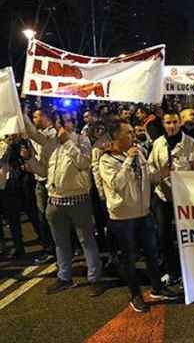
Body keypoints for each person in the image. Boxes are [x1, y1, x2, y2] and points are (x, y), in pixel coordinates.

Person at [100, 119, 178, 313]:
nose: (133, 137)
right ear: (116, 137)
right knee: (129, 259)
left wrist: (163, 172)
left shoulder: (140, 153)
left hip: (143, 213)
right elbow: (117, 184)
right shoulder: (106, 160)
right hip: (122, 219)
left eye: (133, 133)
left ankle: (157, 288)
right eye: (128, 133)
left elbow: (149, 177)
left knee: (152, 254)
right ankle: (135, 295)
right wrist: (128, 161)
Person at [23, 112, 105, 296]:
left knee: (87, 241)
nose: (63, 124)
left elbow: (84, 162)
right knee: (60, 243)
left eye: (67, 121)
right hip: (55, 201)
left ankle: (94, 279)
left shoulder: (82, 140)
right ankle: (64, 277)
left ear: (73, 123)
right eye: (60, 121)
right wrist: (30, 159)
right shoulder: (50, 144)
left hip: (78, 200)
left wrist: (67, 142)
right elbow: (43, 171)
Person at [149, 110, 194, 285]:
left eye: (175, 122)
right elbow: (151, 171)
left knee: (187, 237)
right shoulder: (158, 144)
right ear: (163, 124)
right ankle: (172, 271)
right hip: (163, 197)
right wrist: (161, 174)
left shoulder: (191, 144)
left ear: (181, 123)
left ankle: (190, 272)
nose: (172, 126)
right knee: (164, 235)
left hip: (186, 200)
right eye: (168, 122)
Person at [29, 109, 57, 265]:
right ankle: (51, 249)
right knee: (44, 217)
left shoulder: (52, 135)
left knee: (51, 218)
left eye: (36, 116)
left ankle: (56, 249)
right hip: (40, 180)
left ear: (45, 117)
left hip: (51, 180)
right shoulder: (35, 137)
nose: (34, 119)